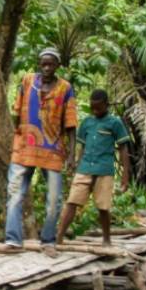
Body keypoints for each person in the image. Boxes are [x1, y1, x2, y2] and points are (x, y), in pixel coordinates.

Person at [4, 47, 78, 257]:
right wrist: (15, 137)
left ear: (57, 66)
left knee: (54, 200)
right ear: (39, 64)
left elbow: (71, 123)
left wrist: (72, 154)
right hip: (24, 146)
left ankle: (48, 240)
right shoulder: (28, 81)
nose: (46, 68)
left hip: (53, 149)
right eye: (43, 64)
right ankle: (13, 240)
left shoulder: (65, 88)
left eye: (50, 64)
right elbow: (16, 110)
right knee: (15, 194)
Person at [56, 90, 131, 247]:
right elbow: (82, 147)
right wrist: (76, 163)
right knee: (72, 202)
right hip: (85, 168)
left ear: (106, 104)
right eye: (92, 108)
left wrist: (125, 175)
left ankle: (107, 239)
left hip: (104, 170)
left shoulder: (115, 123)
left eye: (98, 107)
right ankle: (59, 237)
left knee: (103, 207)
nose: (95, 111)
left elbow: (123, 149)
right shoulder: (87, 123)